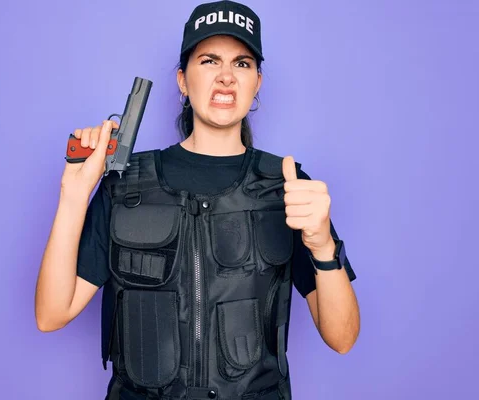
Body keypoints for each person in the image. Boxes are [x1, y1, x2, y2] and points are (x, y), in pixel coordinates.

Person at [34, 1, 360, 399]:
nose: (226, 77)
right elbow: (51, 314)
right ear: (182, 81)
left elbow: (342, 338)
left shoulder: (287, 187)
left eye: (241, 64)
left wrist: (322, 243)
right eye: (209, 61)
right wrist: (74, 193)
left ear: (257, 82)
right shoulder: (125, 186)